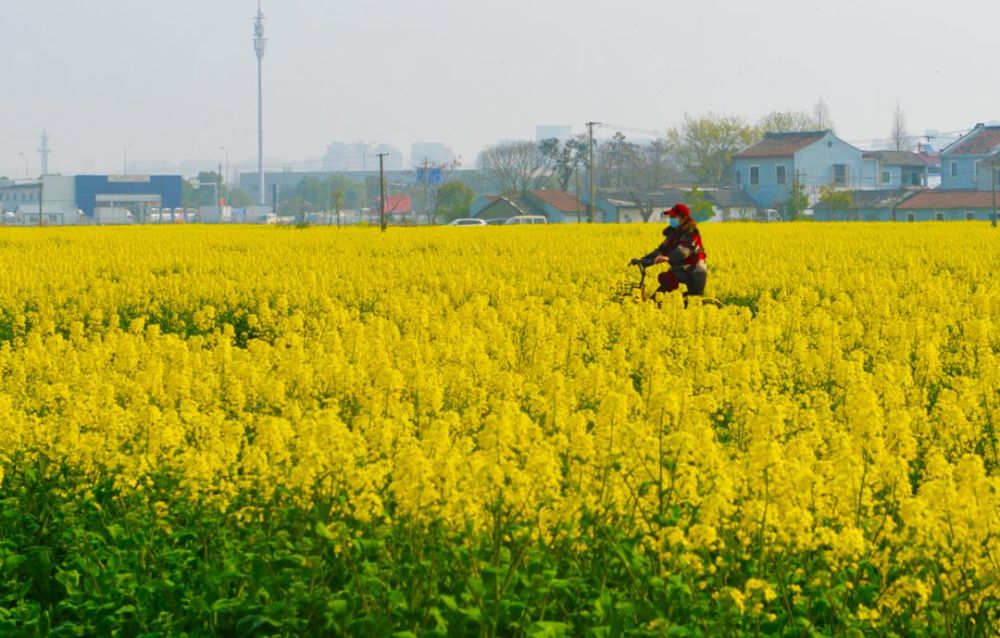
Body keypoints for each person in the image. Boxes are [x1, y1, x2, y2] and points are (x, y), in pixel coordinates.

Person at [630, 203, 707, 304]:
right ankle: (655, 304)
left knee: (669, 279)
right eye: (670, 216)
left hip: (693, 273)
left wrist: (669, 258)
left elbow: (684, 250)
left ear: (683, 218)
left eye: (674, 216)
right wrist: (643, 260)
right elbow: (661, 250)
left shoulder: (692, 233)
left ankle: (655, 304)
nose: (671, 219)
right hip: (679, 270)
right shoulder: (673, 233)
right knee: (666, 280)